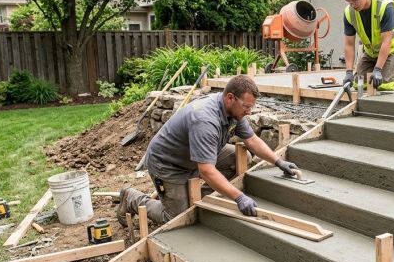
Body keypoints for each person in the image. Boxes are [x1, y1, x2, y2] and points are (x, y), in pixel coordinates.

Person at [117, 75, 298, 225]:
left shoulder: (234, 111)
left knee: (238, 158)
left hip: (196, 155)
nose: (249, 112)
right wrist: (239, 197)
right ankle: (132, 198)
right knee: (177, 218)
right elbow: (207, 170)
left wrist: (279, 162)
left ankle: (197, 200)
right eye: (246, 106)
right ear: (230, 98)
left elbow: (251, 139)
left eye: (251, 107)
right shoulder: (205, 120)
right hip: (169, 164)